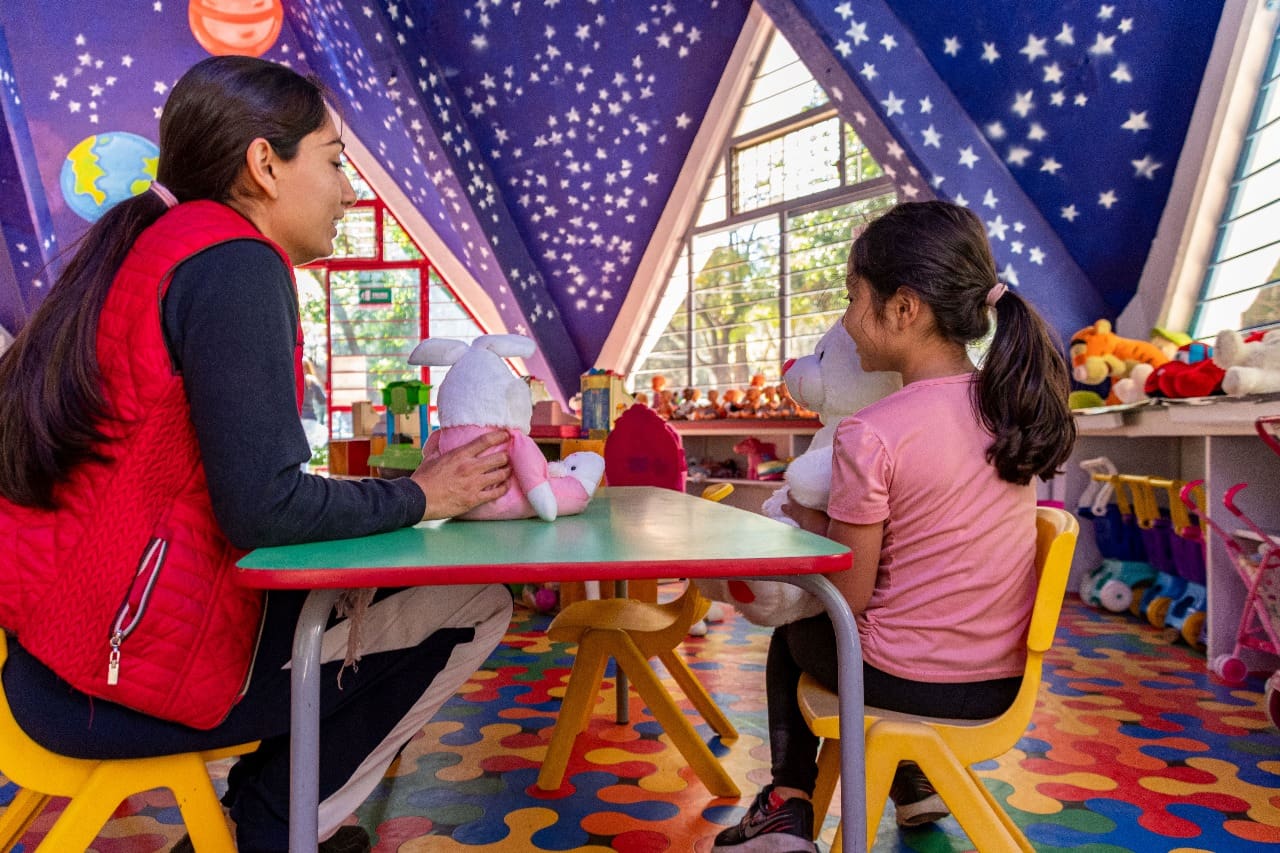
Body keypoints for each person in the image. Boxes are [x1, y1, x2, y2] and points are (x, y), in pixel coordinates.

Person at [0, 56, 516, 853]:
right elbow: (264, 505)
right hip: (107, 679)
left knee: (357, 611)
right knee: (479, 601)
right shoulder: (234, 263)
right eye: (335, 162)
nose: (349, 191)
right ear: (265, 165)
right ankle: (276, 828)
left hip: (60, 650)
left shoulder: (163, 245)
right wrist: (424, 494)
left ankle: (271, 811)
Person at [712, 200, 1076, 852]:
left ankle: (788, 806)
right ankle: (914, 782)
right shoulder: (1007, 407)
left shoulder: (872, 432)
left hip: (906, 680)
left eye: (854, 297)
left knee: (794, 632)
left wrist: (804, 519)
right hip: (999, 683)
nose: (847, 321)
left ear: (905, 307)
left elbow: (847, 596)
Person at [301, 357, 329, 456]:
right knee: (310, 448)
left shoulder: (292, 380)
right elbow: (322, 400)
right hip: (309, 418)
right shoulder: (310, 380)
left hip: (296, 419)